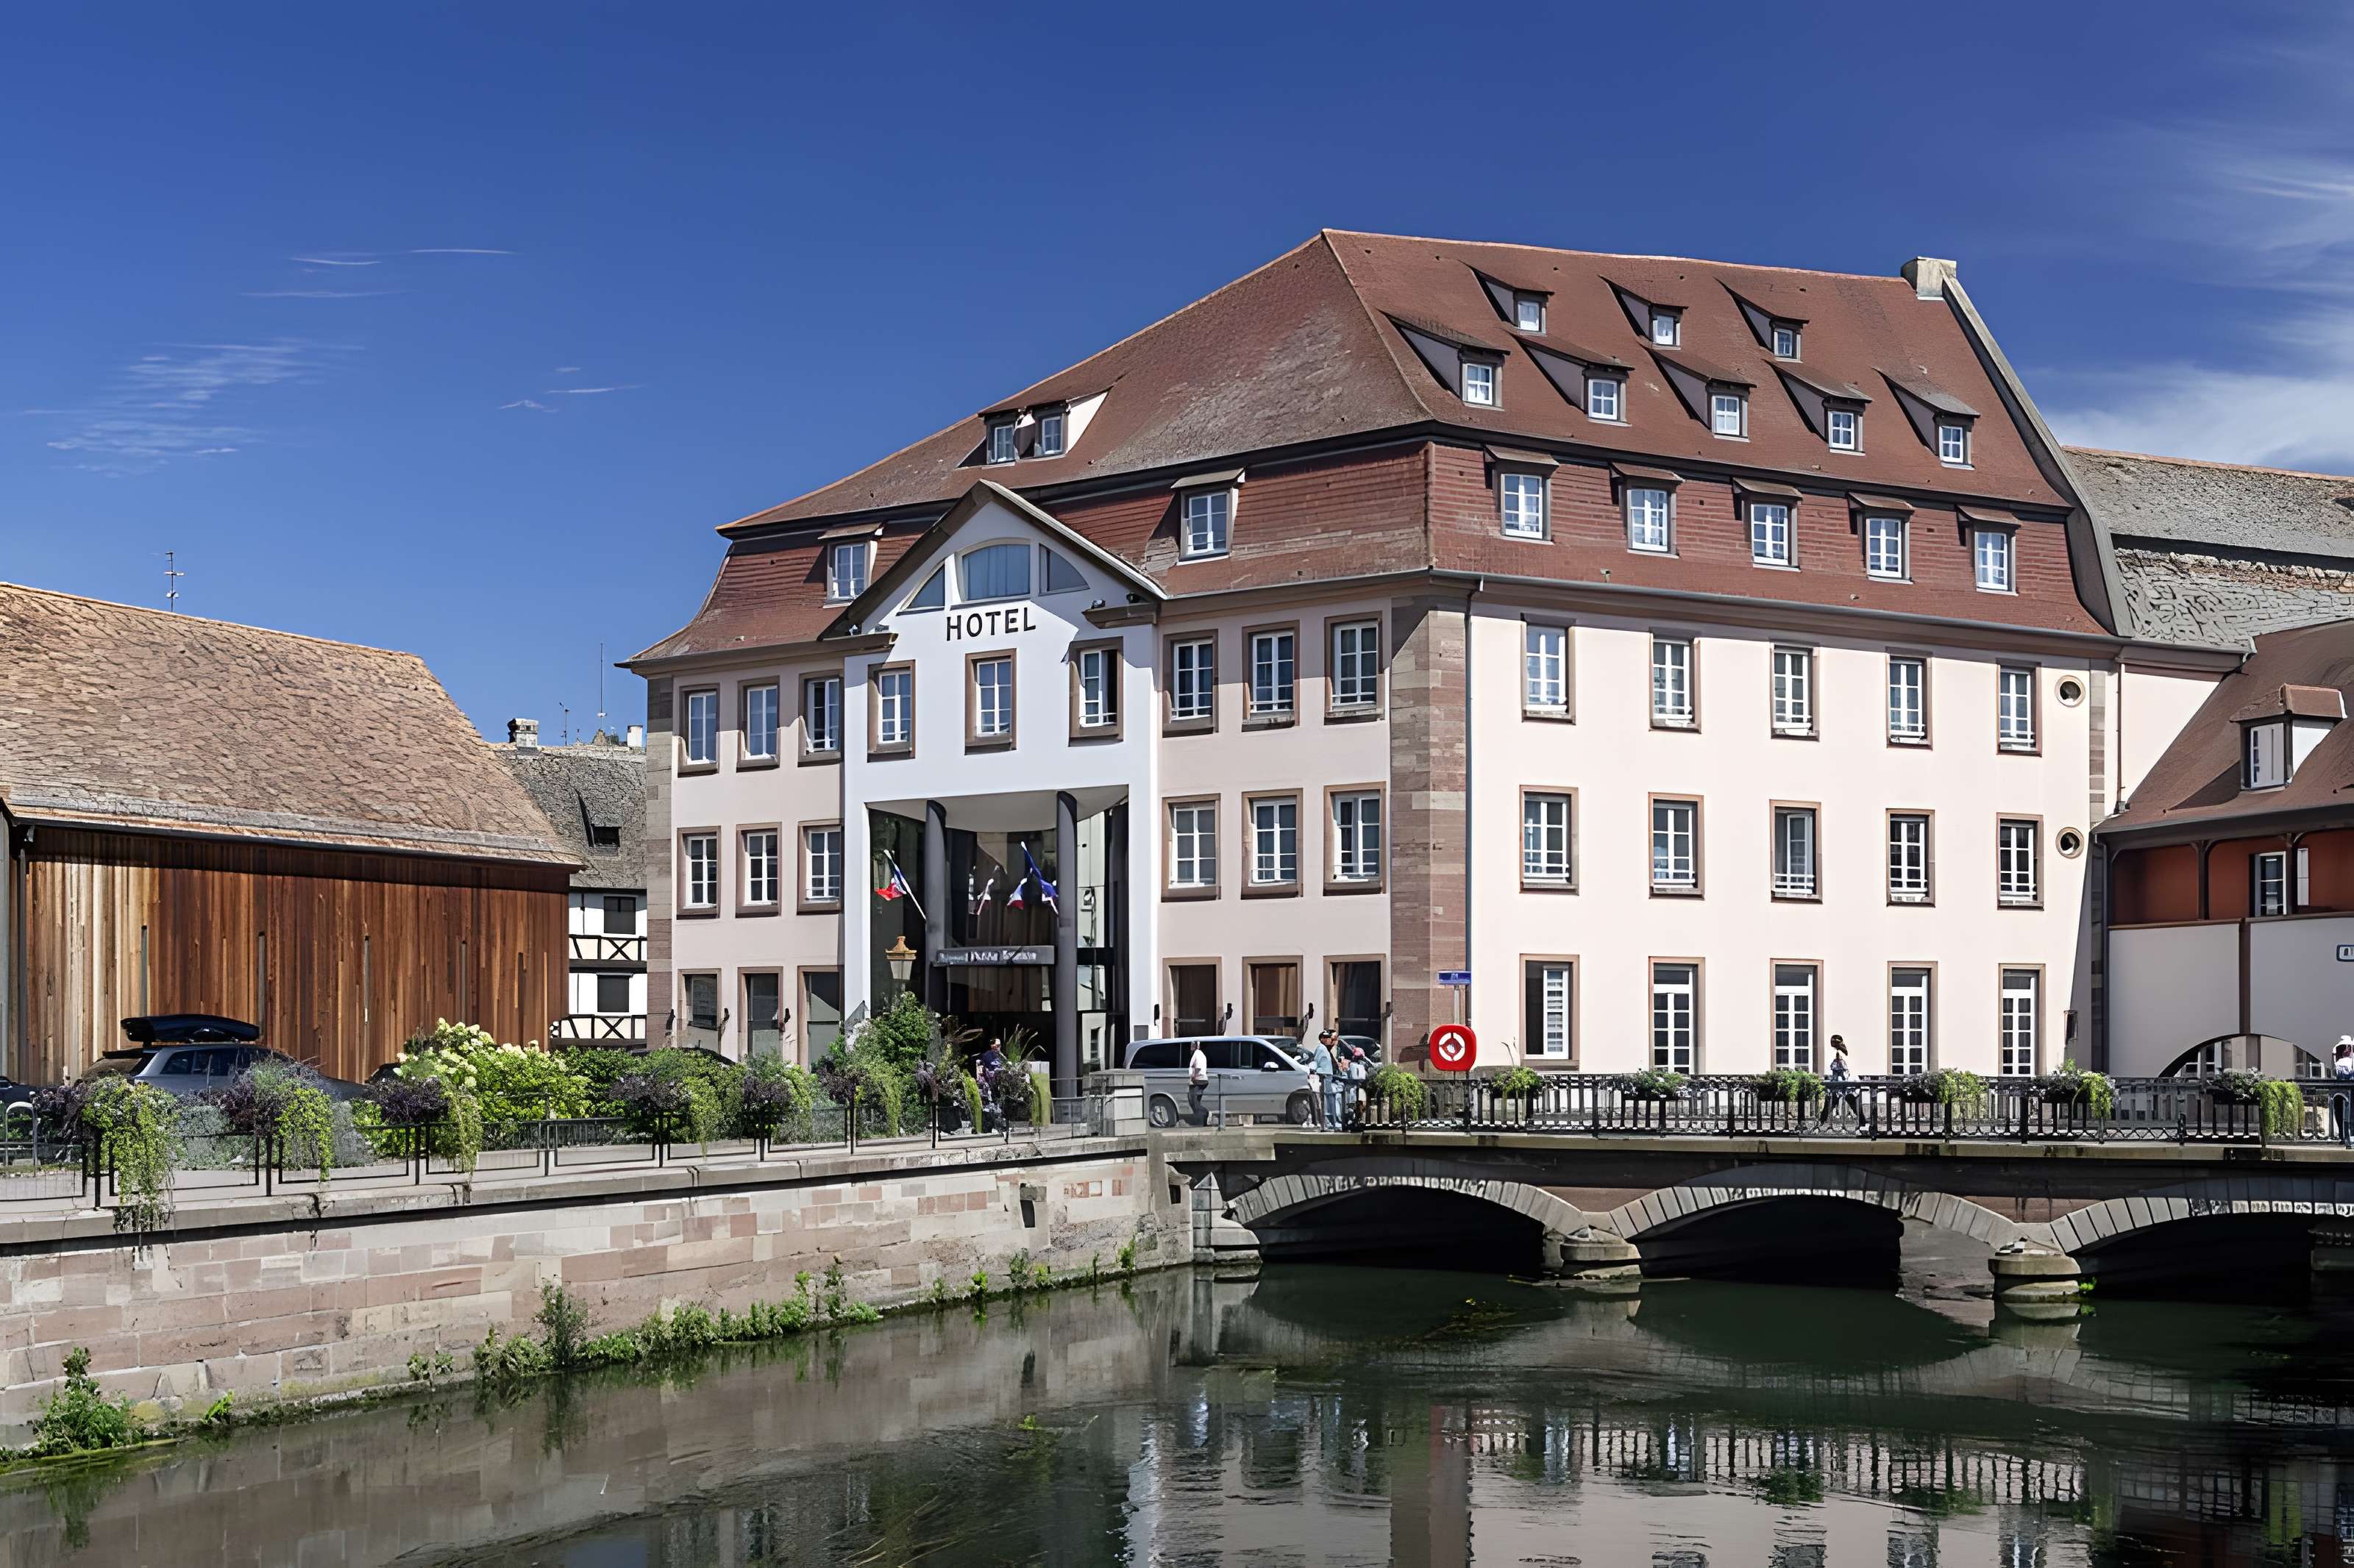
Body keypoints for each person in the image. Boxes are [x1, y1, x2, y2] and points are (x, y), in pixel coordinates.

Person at [1824, 1036, 1861, 1124]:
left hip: (1846, 1083)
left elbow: (1847, 1069)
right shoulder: (1839, 1053)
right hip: (1838, 1084)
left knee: (1852, 1103)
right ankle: (1821, 1122)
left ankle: (1862, 1123)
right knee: (1830, 1103)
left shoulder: (1843, 1052)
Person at [1312, 1029, 1340, 1130]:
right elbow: (1316, 1062)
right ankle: (1326, 1123)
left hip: (1328, 1076)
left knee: (1329, 1099)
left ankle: (1329, 1123)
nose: (1329, 1040)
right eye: (1327, 1038)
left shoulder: (1325, 1049)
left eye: (1329, 1038)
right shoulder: (1321, 1048)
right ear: (1322, 1039)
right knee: (1326, 1100)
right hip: (1324, 1076)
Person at [2333, 1038, 2354, 1147]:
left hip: (2340, 1092)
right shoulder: (2344, 1062)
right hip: (2345, 1092)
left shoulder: (2339, 1063)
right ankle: (2347, 1136)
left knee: (2340, 1109)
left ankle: (2343, 1135)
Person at [1187, 1038, 1211, 1127]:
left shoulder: (1197, 1054)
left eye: (1192, 1046)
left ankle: (1206, 1113)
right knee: (1195, 1101)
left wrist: (1193, 1078)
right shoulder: (1202, 1055)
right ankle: (1202, 1122)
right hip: (1201, 1081)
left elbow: (1198, 1068)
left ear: (1197, 1046)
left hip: (1198, 1080)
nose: (1191, 1048)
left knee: (1194, 1103)